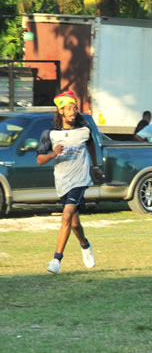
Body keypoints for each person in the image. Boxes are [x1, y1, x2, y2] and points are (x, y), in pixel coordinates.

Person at [37, 91, 104, 274]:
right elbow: (40, 160)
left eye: (75, 108)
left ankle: (56, 260)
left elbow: (91, 145)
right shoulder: (50, 135)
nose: (73, 112)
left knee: (66, 215)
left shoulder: (84, 130)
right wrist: (53, 154)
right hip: (62, 182)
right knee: (74, 224)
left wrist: (95, 166)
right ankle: (85, 245)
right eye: (69, 108)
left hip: (80, 180)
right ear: (61, 111)